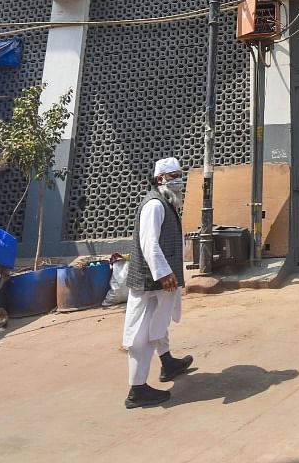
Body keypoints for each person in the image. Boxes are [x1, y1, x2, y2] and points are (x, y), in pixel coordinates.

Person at [122, 156, 193, 409]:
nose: (179, 181)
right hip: (151, 282)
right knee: (142, 336)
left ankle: (167, 362)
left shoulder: (167, 201)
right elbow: (148, 243)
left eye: (180, 176)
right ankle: (137, 389)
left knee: (158, 323)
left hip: (160, 281)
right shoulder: (154, 205)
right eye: (174, 177)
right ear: (161, 178)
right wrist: (163, 273)